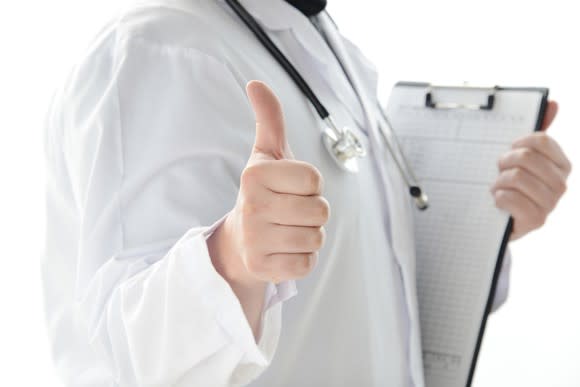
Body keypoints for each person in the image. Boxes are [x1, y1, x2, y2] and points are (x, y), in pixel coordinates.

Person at [42, 0, 571, 386]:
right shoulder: (157, 48)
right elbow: (126, 357)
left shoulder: (323, 41)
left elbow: (372, 291)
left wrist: (490, 220)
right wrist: (230, 261)